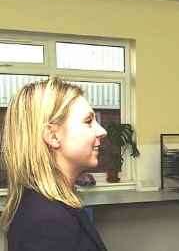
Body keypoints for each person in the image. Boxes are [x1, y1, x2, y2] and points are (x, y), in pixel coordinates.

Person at [1, 78, 108, 251]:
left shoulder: (59, 202)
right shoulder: (44, 221)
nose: (102, 131)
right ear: (53, 136)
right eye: (88, 121)